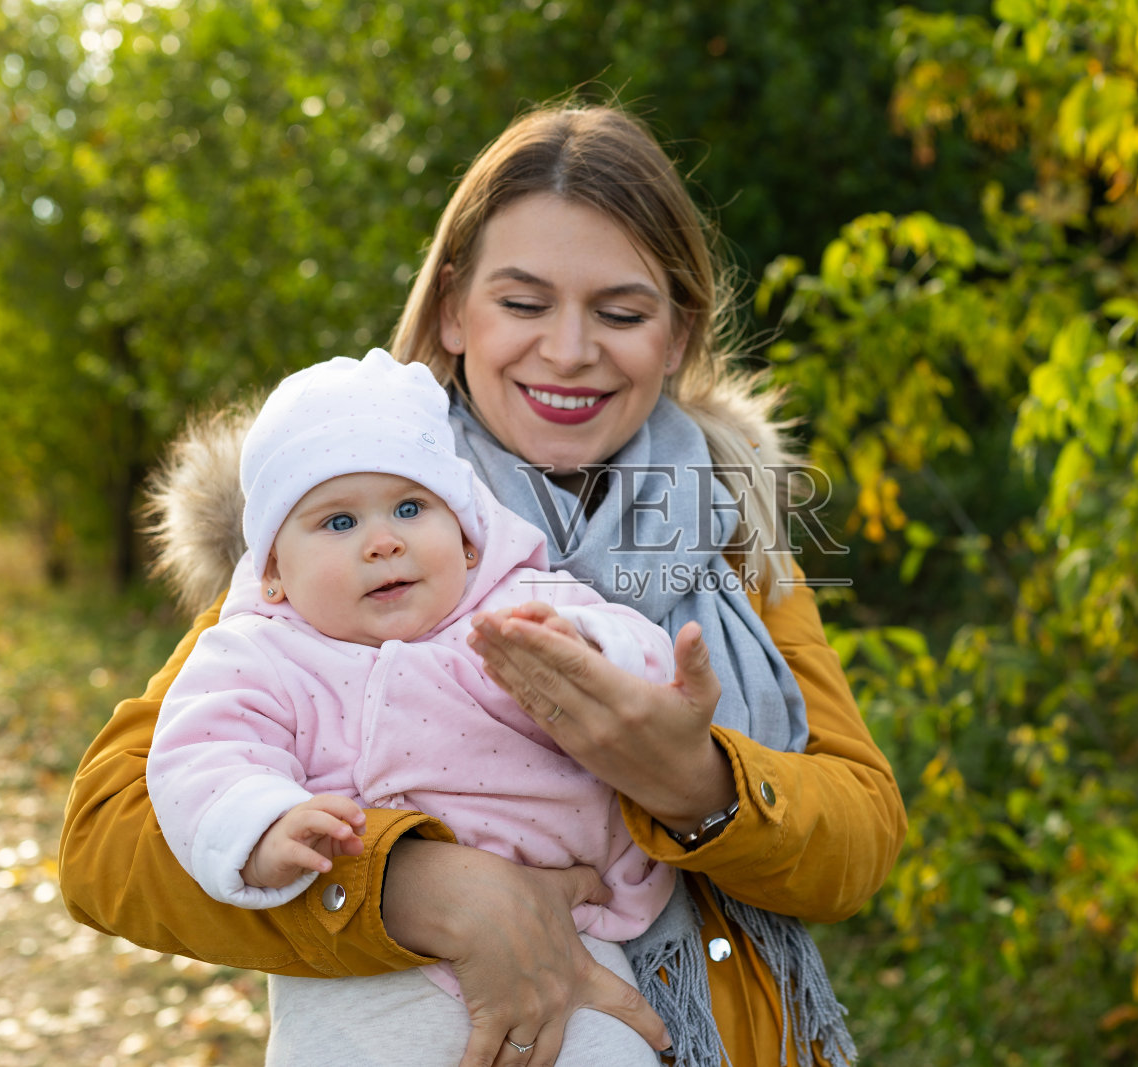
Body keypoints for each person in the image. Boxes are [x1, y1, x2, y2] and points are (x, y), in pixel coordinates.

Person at [60, 101, 907, 1067]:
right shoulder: (348, 531)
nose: (570, 349)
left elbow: (859, 835)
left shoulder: (732, 534)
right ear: (455, 309)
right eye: (524, 303)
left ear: (676, 335)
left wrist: (697, 784)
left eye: (622, 312)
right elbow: (107, 838)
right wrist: (420, 887)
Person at [146, 349, 678, 1064]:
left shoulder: (521, 608)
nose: (384, 539)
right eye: (338, 522)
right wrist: (263, 820)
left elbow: (643, 654)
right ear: (273, 570)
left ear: (464, 536)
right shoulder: (262, 654)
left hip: (564, 939)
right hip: (365, 971)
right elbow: (200, 751)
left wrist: (585, 651)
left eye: (409, 506)